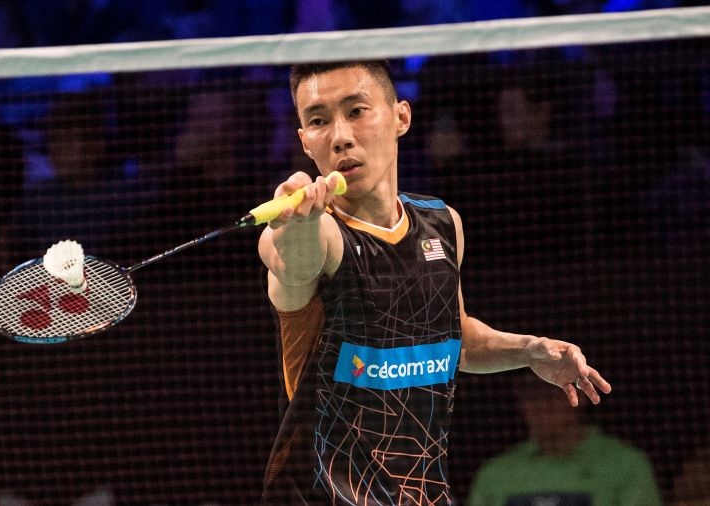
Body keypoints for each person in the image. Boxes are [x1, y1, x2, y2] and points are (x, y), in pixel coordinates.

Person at [257, 60, 612, 505]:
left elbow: (453, 338)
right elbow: (293, 261)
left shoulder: (442, 225)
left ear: (401, 117)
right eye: (318, 121)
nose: (340, 135)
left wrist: (527, 349)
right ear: (305, 142)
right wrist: (298, 223)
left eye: (356, 111)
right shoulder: (314, 235)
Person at [468, 371, 661, 506]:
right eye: (531, 394)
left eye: (551, 393)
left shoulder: (626, 464)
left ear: (581, 396)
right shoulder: (495, 474)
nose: (541, 405)